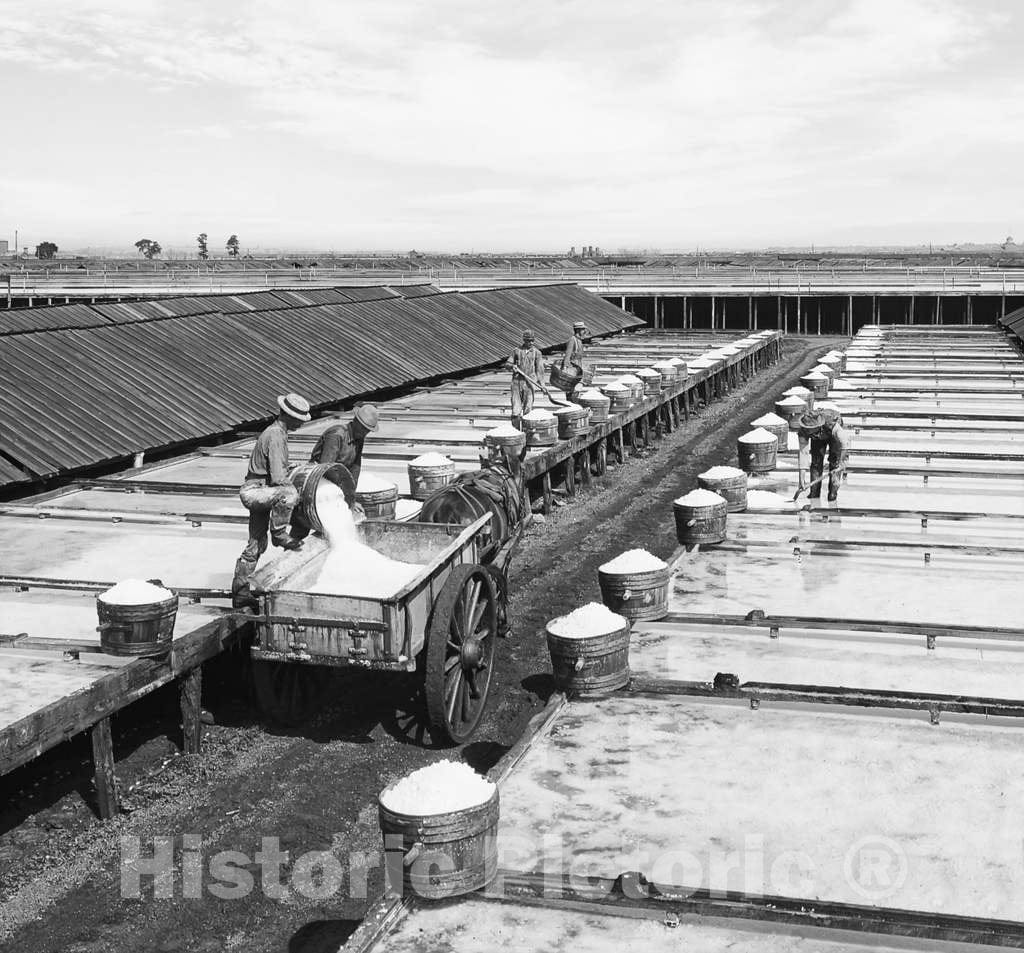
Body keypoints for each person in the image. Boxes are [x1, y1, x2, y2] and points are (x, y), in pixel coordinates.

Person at [231, 393, 311, 610]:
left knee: (256, 543)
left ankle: (240, 593)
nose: (300, 423)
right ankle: (279, 534)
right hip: (257, 491)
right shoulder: (276, 435)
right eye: (298, 419)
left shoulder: (277, 433)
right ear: (288, 415)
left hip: (260, 490)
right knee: (290, 494)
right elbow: (277, 479)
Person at [309, 402, 379, 486]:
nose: (364, 433)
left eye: (367, 430)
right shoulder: (336, 435)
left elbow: (356, 466)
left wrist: (352, 487)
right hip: (319, 479)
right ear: (355, 421)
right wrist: (343, 485)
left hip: (339, 478)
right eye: (363, 428)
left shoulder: (359, 437)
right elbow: (326, 467)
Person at [797, 408, 849, 502]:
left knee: (835, 463)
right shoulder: (803, 431)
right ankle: (814, 494)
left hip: (832, 436)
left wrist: (841, 461)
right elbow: (803, 453)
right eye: (807, 430)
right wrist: (801, 478)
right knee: (816, 463)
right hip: (818, 437)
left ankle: (833, 494)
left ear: (817, 426)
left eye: (811, 430)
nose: (808, 432)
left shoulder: (832, 424)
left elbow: (844, 443)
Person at [506, 329, 545, 429]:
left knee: (528, 410)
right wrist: (512, 366)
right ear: (524, 340)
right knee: (516, 410)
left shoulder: (537, 353)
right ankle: (516, 432)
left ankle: (527, 433)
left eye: (532, 340)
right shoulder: (516, 351)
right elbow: (508, 364)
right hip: (517, 383)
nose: (531, 343)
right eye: (528, 341)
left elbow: (540, 371)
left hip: (530, 383)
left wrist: (543, 385)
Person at [561, 320, 587, 399]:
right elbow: (567, 356)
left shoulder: (579, 340)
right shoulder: (572, 340)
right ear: (578, 330)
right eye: (583, 330)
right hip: (572, 370)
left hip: (578, 368)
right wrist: (565, 370)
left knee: (577, 390)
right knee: (572, 391)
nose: (584, 331)